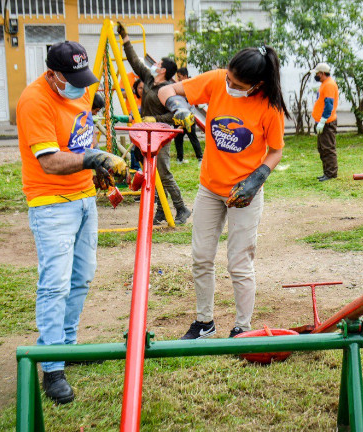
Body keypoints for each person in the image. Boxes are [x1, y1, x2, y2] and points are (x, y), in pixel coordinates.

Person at [17, 41, 129, 404]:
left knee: (81, 277)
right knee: (55, 284)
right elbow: (49, 161)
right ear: (52, 75)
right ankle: (52, 367)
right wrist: (97, 157)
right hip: (51, 205)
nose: (81, 87)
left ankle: (67, 347)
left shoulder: (78, 91)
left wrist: (95, 170)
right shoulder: (35, 101)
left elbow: (81, 136)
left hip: (83, 200)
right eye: (73, 79)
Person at [158, 45, 289, 339]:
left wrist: (258, 178)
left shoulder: (269, 107)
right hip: (210, 188)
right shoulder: (217, 80)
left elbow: (276, 151)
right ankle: (204, 322)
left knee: (239, 264)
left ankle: (242, 328)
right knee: (201, 257)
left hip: (244, 194)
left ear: (259, 85)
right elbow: (166, 91)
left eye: (238, 85)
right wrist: (178, 107)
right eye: (228, 79)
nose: (229, 86)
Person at [117, 22, 191, 225]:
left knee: (163, 172)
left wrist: (155, 120)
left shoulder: (170, 89)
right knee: (152, 172)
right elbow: (135, 62)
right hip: (148, 135)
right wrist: (126, 39)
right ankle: (160, 210)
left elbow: (175, 116)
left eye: (158, 63)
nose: (154, 63)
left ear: (164, 69)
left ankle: (181, 207)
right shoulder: (149, 80)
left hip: (162, 135)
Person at [311, 63, 339, 181]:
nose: (316, 76)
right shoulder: (324, 84)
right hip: (322, 122)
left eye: (317, 74)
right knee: (322, 148)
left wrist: (322, 121)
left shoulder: (329, 85)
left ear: (322, 73)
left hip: (327, 123)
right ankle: (327, 172)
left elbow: (329, 105)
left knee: (328, 148)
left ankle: (331, 174)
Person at [172, 67, 203, 164]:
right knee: (178, 138)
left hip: (189, 117)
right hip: (179, 117)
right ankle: (179, 158)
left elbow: (194, 100)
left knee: (192, 137)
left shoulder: (191, 86)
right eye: (177, 77)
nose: (178, 79)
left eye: (180, 77)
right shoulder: (177, 87)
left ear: (185, 76)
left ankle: (200, 158)